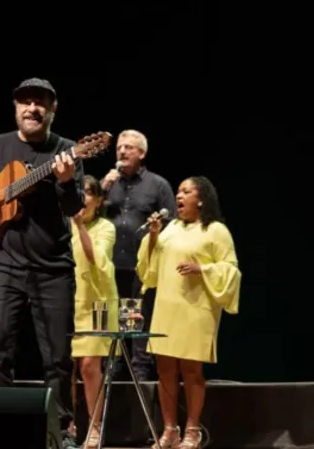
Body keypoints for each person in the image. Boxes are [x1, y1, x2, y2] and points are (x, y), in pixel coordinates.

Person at [0, 77, 83, 448]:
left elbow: (74, 207)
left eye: (40, 103)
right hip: (3, 260)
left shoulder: (67, 149)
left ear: (52, 111)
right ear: (16, 108)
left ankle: (60, 431)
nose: (32, 108)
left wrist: (67, 182)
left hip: (52, 265)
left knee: (57, 357)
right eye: (25, 102)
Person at [137, 176, 241, 449]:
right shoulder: (170, 228)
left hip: (196, 309)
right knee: (165, 370)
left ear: (201, 198)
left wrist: (202, 269)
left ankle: (192, 430)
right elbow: (149, 268)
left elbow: (231, 270)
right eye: (177, 192)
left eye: (186, 191)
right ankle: (170, 430)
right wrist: (154, 235)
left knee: (191, 370)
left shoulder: (215, 230)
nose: (178, 197)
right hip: (167, 305)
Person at [100, 129, 177, 381]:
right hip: (107, 266)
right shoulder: (107, 184)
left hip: (139, 266)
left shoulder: (157, 185)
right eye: (119, 147)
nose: (122, 151)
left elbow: (172, 224)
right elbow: (87, 214)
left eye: (128, 147)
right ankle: (112, 369)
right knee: (111, 319)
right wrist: (103, 188)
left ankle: (139, 374)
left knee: (134, 318)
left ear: (141, 153)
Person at [69, 176, 119, 449]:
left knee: (89, 366)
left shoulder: (105, 228)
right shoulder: (64, 226)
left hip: (97, 302)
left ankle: (95, 425)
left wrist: (78, 225)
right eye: (80, 193)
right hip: (68, 300)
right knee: (66, 365)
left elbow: (95, 259)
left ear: (99, 200)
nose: (84, 198)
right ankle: (69, 423)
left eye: (89, 193)